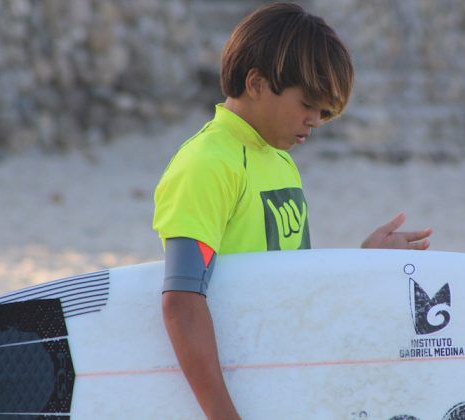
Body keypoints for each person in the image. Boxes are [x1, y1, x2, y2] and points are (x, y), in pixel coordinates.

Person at [153, 3, 432, 419]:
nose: (316, 121)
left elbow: (285, 284)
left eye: (324, 113)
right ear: (257, 83)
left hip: (283, 385)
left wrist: (361, 262)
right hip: (230, 397)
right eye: (309, 105)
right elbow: (182, 301)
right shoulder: (208, 164)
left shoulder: (279, 160)